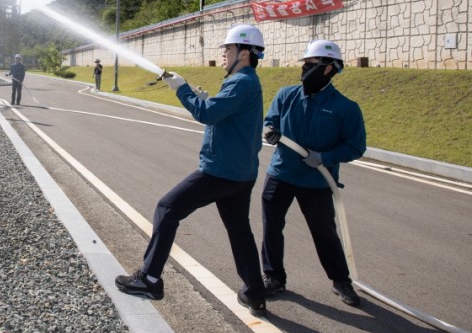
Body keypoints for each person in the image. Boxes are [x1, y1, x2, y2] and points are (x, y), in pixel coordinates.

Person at [115, 24, 268, 317]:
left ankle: (149, 279)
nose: (223, 53)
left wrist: (182, 89)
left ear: (245, 52)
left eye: (228, 48)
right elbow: (220, 113)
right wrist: (206, 97)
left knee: (167, 208)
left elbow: (207, 114)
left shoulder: (241, 82)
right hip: (241, 173)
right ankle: (254, 293)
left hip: (220, 171)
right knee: (239, 231)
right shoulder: (245, 80)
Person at [261, 39, 366, 307]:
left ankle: (340, 280)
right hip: (281, 174)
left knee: (324, 232)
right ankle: (273, 277)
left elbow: (355, 146)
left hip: (317, 180)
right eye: (305, 64)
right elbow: (271, 119)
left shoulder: (346, 108)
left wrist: (324, 158)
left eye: (312, 65)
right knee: (272, 227)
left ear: (330, 69)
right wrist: (271, 129)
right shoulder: (286, 95)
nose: (305, 69)